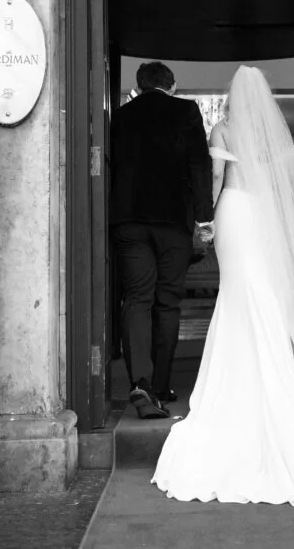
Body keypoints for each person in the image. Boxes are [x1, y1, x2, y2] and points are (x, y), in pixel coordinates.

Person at [152, 64, 294, 505]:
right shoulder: (271, 134)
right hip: (261, 214)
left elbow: (219, 178)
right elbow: (286, 186)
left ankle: (238, 383)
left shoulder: (223, 129)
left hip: (234, 211)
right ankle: (273, 375)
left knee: (236, 290)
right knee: (260, 288)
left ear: (231, 97)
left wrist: (204, 225)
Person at [110, 61, 215, 419]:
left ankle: (140, 383)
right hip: (172, 222)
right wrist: (204, 218)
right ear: (172, 86)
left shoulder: (122, 116)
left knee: (137, 299)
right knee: (167, 302)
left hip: (129, 221)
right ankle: (162, 385)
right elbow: (200, 165)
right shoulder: (186, 110)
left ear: (139, 87)